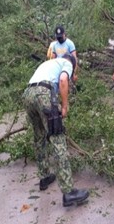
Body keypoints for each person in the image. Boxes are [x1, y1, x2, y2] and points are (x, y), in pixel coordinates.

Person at [22, 54, 89, 207]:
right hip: (42, 94)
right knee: (58, 139)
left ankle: (44, 176)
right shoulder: (68, 63)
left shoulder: (50, 63)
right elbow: (63, 80)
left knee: (39, 137)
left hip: (28, 95)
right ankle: (68, 192)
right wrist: (64, 106)